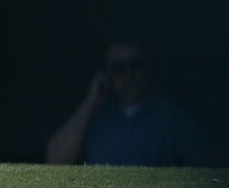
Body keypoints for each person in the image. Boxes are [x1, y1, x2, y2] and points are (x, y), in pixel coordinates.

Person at [46, 41, 212, 166]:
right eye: (119, 68)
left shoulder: (171, 116)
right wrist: (90, 102)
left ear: (147, 70)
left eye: (136, 65)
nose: (129, 73)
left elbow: (209, 167)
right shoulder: (93, 116)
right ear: (107, 74)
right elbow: (56, 160)